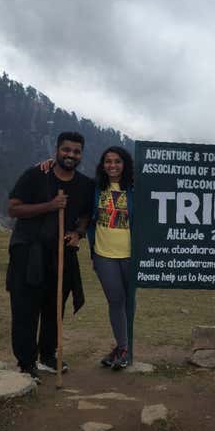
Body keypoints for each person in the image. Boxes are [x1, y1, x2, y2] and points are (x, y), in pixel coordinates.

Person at [6, 131, 94, 381]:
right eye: (66, 150)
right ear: (56, 150)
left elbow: (87, 214)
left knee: (54, 307)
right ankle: (26, 362)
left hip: (61, 253)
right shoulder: (36, 175)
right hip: (28, 251)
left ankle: (47, 355)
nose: (71, 155)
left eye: (76, 151)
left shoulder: (85, 184)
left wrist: (78, 233)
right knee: (25, 308)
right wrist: (50, 206)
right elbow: (13, 209)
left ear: (81, 155)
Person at [86, 146, 135, 370]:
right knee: (116, 301)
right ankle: (123, 348)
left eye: (117, 161)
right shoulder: (95, 188)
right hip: (104, 255)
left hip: (131, 255)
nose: (112, 165)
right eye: (108, 161)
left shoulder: (135, 188)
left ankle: (123, 348)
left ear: (125, 164)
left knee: (129, 303)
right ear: (102, 164)